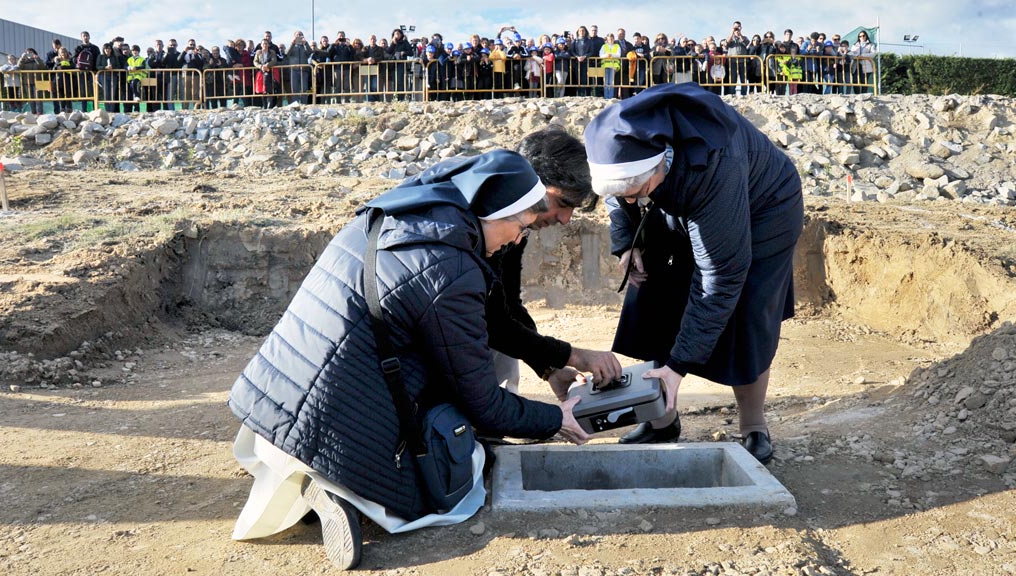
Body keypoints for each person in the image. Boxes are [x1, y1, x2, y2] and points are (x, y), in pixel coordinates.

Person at [228, 150, 590, 570]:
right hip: (328, 423)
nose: (517, 239)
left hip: (273, 405)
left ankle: (312, 477)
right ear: (493, 213)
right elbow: (485, 406)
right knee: (464, 479)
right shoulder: (451, 268)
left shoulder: (406, 210)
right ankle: (339, 492)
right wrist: (555, 419)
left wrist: (554, 361)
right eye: (518, 226)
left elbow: (490, 326)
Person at [583, 82, 804, 465]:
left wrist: (679, 365)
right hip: (681, 198)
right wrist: (627, 240)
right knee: (654, 293)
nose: (631, 199)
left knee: (746, 313)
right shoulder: (623, 141)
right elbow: (618, 193)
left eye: (637, 190)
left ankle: (754, 426)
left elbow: (719, 277)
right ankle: (661, 419)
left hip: (763, 211)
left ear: (659, 162)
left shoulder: (714, 164)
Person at [486, 129, 622, 397]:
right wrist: (573, 356)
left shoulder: (517, 226)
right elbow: (492, 321)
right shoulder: (480, 220)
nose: (565, 219)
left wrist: (550, 367)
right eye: (562, 203)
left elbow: (507, 305)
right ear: (529, 182)